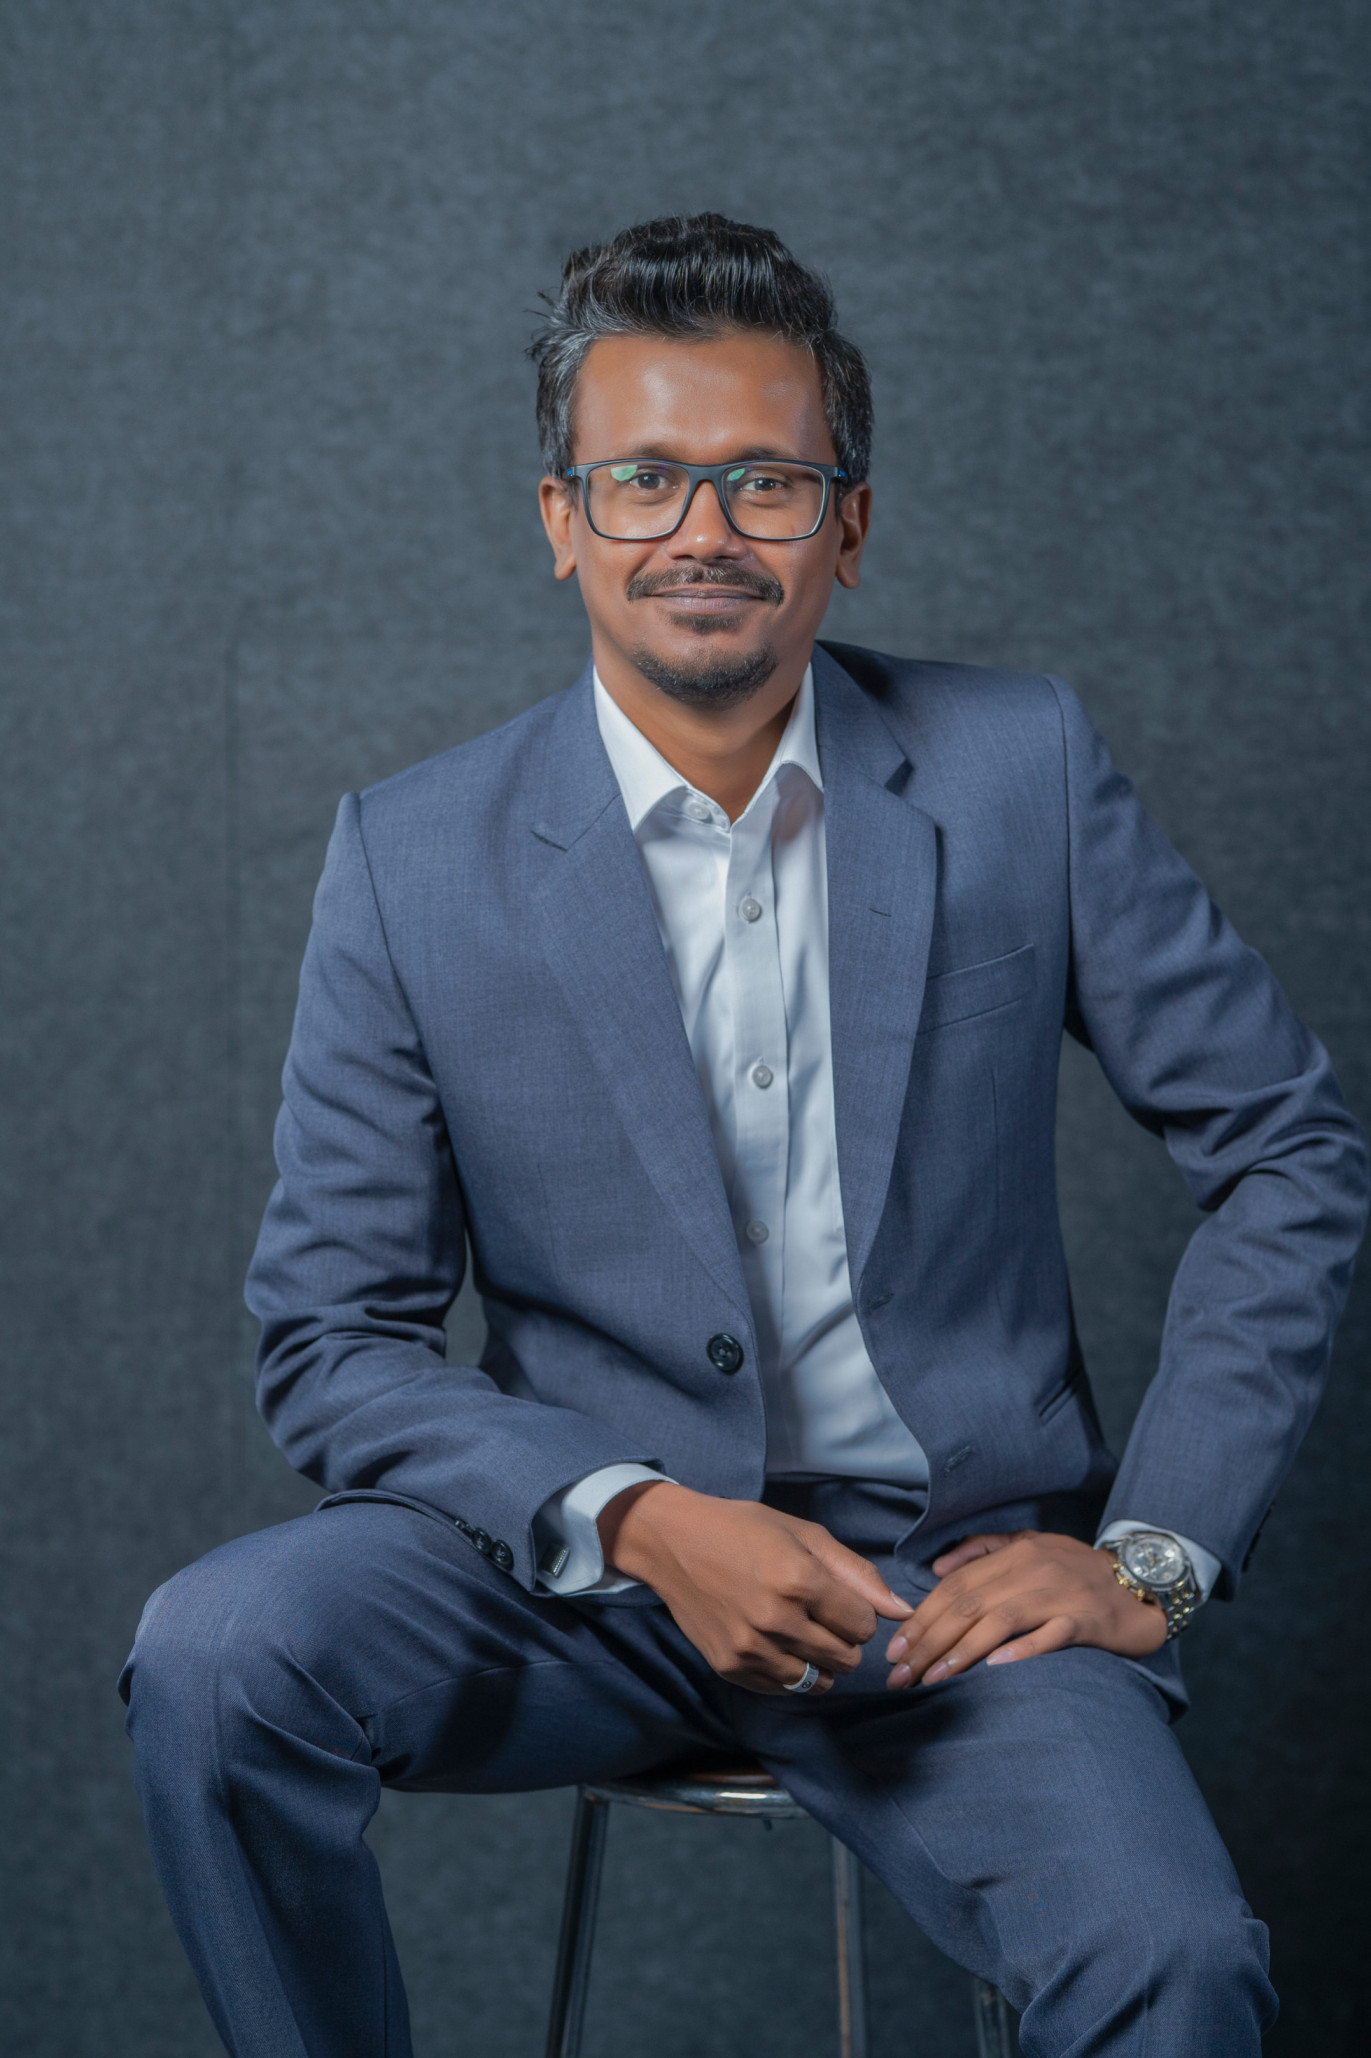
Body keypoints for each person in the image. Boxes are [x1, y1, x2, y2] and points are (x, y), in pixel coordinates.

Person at [121, 214, 1367, 2058]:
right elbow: (333, 1339)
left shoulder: (1020, 766)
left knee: (1181, 1966)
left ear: (846, 526)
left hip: (952, 1606)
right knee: (216, 1657)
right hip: (578, 1587)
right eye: (643, 480)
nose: (701, 531)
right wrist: (630, 1518)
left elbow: (1287, 1147)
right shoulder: (411, 857)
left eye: (765, 481)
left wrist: (1153, 1550)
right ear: (562, 519)